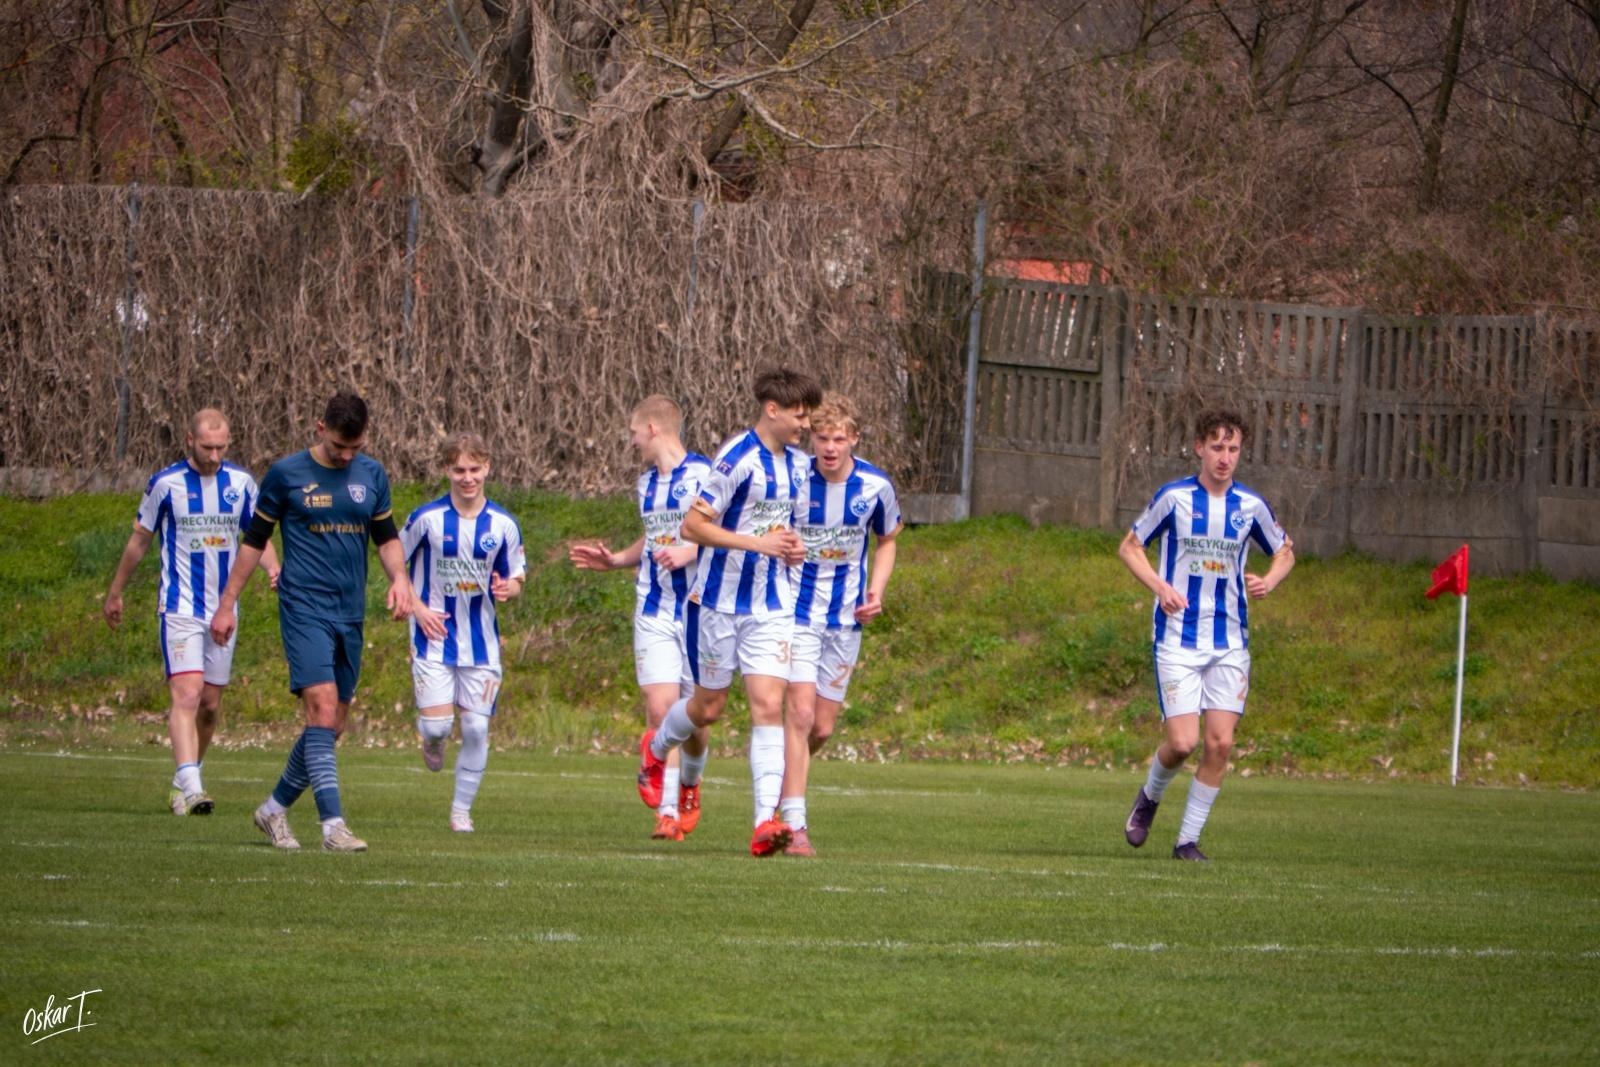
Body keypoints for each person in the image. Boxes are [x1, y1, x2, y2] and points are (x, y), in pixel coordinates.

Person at [210, 392, 430, 852]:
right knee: (322, 710)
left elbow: (386, 537)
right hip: (303, 605)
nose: (347, 456)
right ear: (319, 428)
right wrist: (227, 603)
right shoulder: (287, 474)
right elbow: (253, 540)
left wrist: (401, 580)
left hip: (350, 611)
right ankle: (333, 827)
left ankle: (272, 811)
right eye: (338, 448)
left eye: (355, 448)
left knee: (331, 728)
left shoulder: (371, 474)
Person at [637, 367, 821, 856]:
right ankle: (655, 751)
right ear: (772, 410)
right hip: (716, 603)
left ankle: (765, 821)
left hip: (771, 605)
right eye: (799, 415)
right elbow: (694, 527)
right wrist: (757, 543)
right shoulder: (736, 459)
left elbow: (786, 526)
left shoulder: (798, 467)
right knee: (708, 709)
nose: (805, 425)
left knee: (767, 706)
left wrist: (790, 546)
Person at [1118, 409, 1295, 862]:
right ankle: (1150, 797)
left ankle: (1187, 842)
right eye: (1216, 447)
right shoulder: (1174, 498)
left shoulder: (1250, 507)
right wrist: (1159, 587)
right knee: (1182, 743)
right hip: (1178, 637)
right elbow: (1130, 547)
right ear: (1199, 447)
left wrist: (1269, 581)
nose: (1225, 457)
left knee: (1221, 743)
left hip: (1230, 641)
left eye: (1233, 449)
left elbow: (1285, 553)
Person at [103, 408, 279, 816]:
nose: (215, 455)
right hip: (180, 608)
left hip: (223, 609)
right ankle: (195, 788)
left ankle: (184, 776)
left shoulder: (241, 484)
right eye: (207, 447)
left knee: (211, 704)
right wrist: (115, 592)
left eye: (221, 447)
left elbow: (257, 537)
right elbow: (139, 542)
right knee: (188, 692)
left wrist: (273, 568)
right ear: (189, 440)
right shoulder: (165, 485)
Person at [570, 396, 713, 842]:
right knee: (660, 706)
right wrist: (616, 560)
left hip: (699, 609)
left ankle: (690, 785)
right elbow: (653, 538)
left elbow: (729, 536)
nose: (632, 443)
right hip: (652, 608)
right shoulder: (646, 484)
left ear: (653, 429)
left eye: (633, 434)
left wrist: (690, 551)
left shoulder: (707, 477)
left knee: (697, 718)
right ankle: (667, 812)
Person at [778, 394, 903, 857]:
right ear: (811, 438)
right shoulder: (793, 478)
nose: (829, 447)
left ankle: (781, 785)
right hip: (795, 612)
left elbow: (887, 539)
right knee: (802, 715)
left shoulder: (875, 487)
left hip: (845, 620)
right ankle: (794, 824)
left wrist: (877, 591)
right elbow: (765, 525)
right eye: (820, 438)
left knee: (823, 729)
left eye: (837, 438)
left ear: (853, 439)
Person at [403, 433, 526, 833]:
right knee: (439, 726)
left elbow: (517, 575)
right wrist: (418, 609)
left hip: (482, 643)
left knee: (476, 727)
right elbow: (395, 565)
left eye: (475, 469)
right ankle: (433, 739)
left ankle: (460, 812)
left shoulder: (503, 524)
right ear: (446, 471)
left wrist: (511, 587)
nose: (467, 478)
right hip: (433, 637)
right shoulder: (427, 519)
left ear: (488, 467)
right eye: (459, 470)